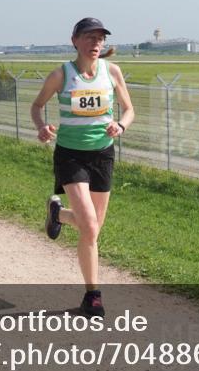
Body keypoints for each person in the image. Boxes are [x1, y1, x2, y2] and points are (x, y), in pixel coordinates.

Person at [31, 18, 134, 317]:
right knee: (89, 226)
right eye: (89, 37)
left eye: (100, 38)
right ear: (75, 40)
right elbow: (36, 106)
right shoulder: (62, 75)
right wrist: (42, 127)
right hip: (70, 156)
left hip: (102, 155)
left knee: (93, 230)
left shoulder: (112, 71)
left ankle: (58, 214)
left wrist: (120, 125)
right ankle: (93, 296)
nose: (95, 43)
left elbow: (129, 109)